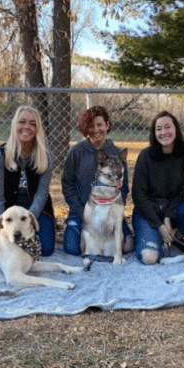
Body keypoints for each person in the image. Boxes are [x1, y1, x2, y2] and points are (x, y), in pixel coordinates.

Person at [61, 105, 134, 256]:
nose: (96, 130)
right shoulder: (76, 152)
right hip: (81, 211)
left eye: (99, 125)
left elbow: (124, 187)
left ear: (107, 125)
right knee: (73, 248)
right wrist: (82, 210)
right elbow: (67, 184)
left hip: (109, 211)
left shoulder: (117, 154)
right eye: (91, 126)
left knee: (127, 246)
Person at [0, 106, 56, 256]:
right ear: (15, 125)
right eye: (22, 122)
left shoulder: (46, 156)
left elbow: (42, 193)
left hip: (36, 210)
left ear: (37, 129)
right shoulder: (0, 154)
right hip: (7, 211)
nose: (27, 127)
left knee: (45, 249)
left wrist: (28, 221)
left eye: (32, 124)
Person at [131, 111, 184, 265]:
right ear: (154, 133)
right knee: (150, 258)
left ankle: (175, 238)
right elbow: (138, 195)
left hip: (174, 210)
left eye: (168, 127)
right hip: (147, 213)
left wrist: (168, 217)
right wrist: (159, 225)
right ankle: (152, 236)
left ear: (176, 129)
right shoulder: (145, 155)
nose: (164, 132)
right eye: (159, 129)